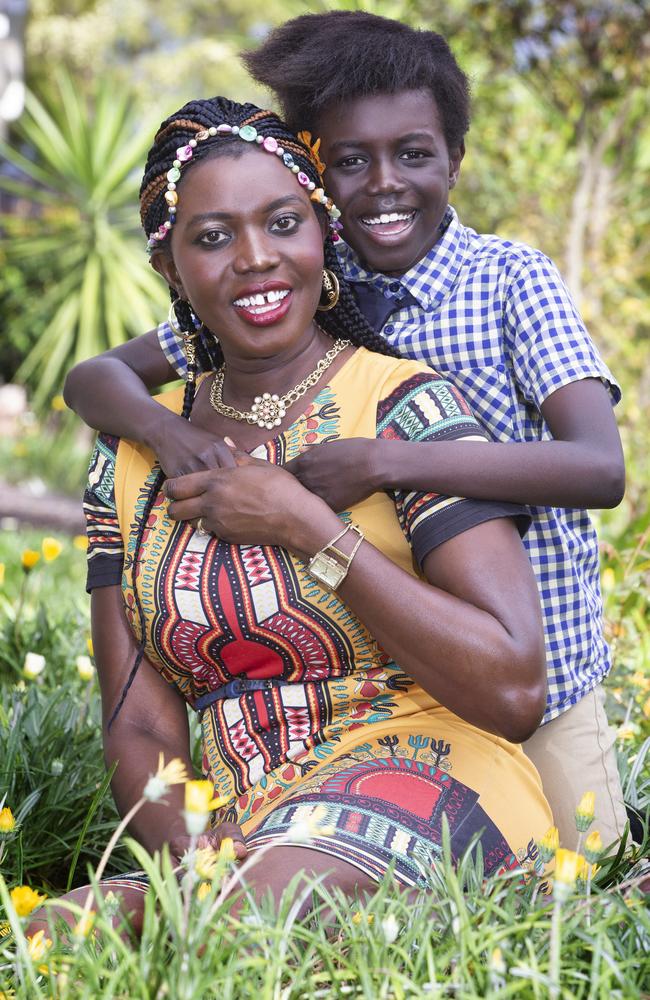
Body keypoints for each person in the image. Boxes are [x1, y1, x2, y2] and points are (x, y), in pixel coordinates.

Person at [63, 13, 626, 850]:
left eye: (414, 154)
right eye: (351, 162)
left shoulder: (508, 280)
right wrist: (160, 429)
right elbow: (96, 375)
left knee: (586, 870)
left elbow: (599, 466)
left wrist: (386, 459)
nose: (384, 184)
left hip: (539, 652)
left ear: (454, 160)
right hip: (379, 692)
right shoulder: (307, 280)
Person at [36, 95, 552, 935]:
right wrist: (193, 878)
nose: (255, 259)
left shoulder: (404, 411)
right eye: (212, 238)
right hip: (250, 823)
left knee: (249, 921)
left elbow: (515, 684)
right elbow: (135, 719)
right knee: (45, 940)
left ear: (323, 234)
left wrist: (311, 529)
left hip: (427, 775)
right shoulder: (131, 456)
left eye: (283, 223)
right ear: (170, 267)